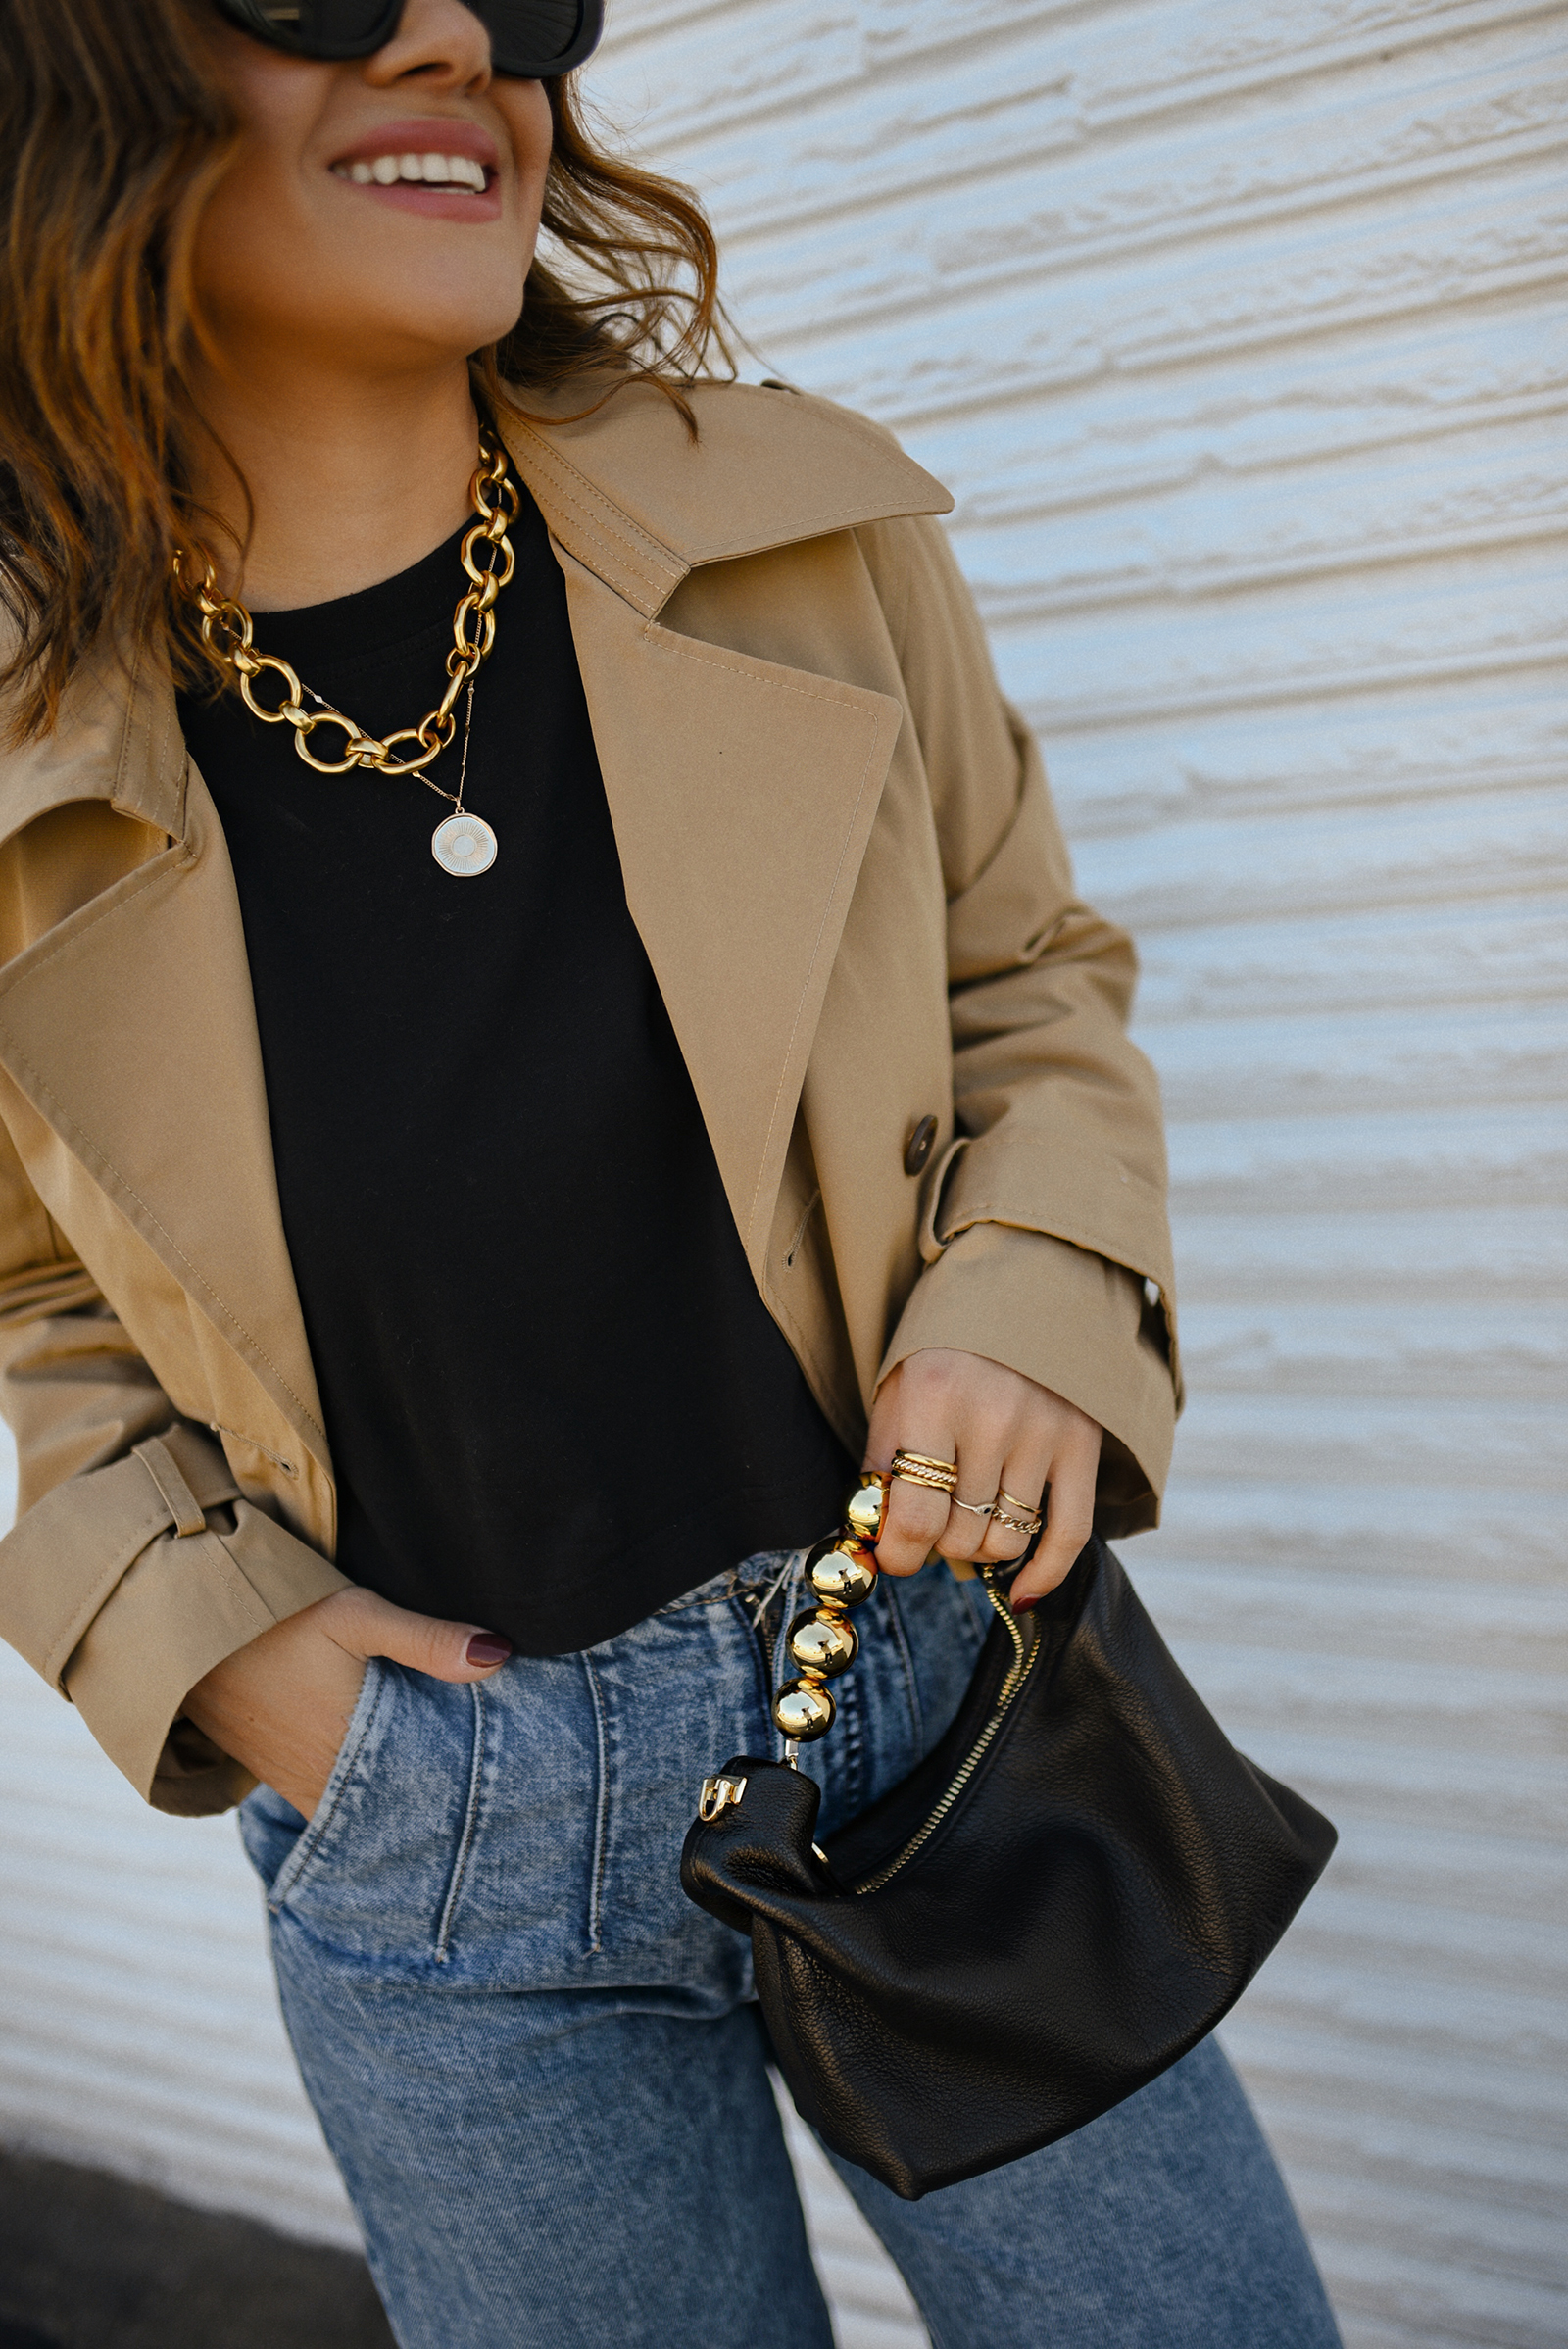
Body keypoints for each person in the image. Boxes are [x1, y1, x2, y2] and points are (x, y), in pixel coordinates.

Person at [0, 3, 1342, 2343]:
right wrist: (236, 1655)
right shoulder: (29, 758)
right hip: (439, 1838)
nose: (450, 33)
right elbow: (41, 1304)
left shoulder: (798, 527)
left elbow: (1024, 973)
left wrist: (1018, 1298)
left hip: (928, 1702)